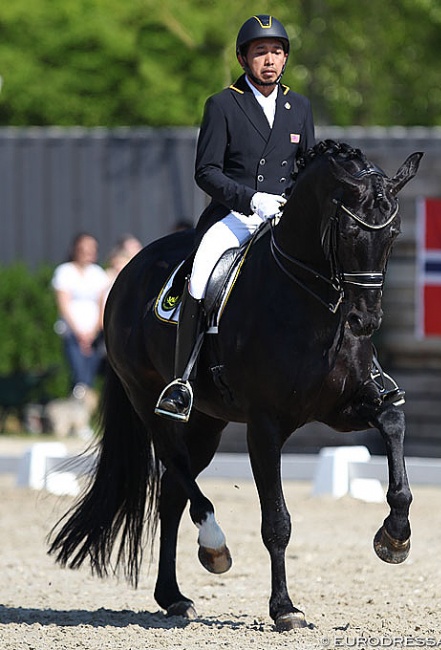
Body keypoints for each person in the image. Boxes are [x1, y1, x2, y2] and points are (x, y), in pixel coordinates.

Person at [155, 14, 316, 420]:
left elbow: (307, 167)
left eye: (277, 52)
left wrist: (293, 202)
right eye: (261, 52)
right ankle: (182, 381)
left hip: (283, 218)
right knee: (202, 272)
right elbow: (206, 171)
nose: (270, 60)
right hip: (234, 216)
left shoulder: (299, 107)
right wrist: (251, 199)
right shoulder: (223, 105)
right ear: (244, 59)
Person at [52, 232, 109, 395]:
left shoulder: (98, 273)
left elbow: (101, 304)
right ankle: (78, 412)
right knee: (79, 375)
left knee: (89, 376)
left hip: (94, 334)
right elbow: (63, 304)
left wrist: (94, 331)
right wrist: (79, 332)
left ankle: (84, 414)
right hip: (72, 332)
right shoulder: (65, 272)